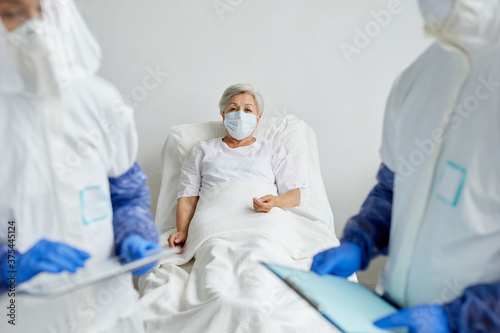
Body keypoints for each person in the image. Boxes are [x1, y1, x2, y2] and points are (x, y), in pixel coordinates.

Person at [311, 0, 500, 332]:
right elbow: (392, 187)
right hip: (393, 315)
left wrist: (459, 318)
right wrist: (359, 241)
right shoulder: (416, 79)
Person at [0, 0, 160, 332]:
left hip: (109, 308)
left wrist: (133, 232)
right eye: (13, 13)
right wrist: (9, 266)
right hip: (22, 315)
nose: (36, 25)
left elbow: (126, 195)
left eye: (44, 10)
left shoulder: (102, 101)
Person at [168, 83, 306, 248]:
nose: (240, 114)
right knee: (215, 252)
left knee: (263, 249)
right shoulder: (202, 150)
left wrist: (275, 202)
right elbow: (188, 198)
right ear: (223, 115)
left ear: (258, 118)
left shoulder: (275, 149)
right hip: (213, 221)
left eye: (248, 110)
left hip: (263, 220)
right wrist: (183, 231)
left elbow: (294, 195)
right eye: (233, 109)